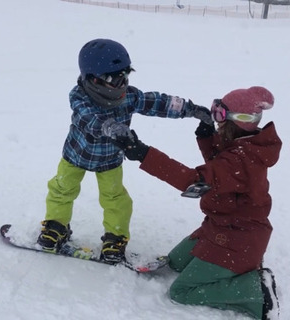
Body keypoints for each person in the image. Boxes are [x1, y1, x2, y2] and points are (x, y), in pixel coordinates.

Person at [111, 86, 282, 319]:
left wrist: (142, 153)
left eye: (221, 116)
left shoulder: (241, 160)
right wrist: (206, 135)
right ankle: (235, 268)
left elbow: (196, 180)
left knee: (182, 291)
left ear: (239, 121)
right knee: (175, 262)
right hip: (219, 228)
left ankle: (255, 288)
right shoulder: (244, 146)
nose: (217, 121)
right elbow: (219, 167)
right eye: (215, 113)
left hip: (238, 240)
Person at [36, 38, 212, 264]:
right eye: (113, 78)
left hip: (109, 160)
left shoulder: (128, 96)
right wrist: (109, 126)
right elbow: (89, 118)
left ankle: (114, 238)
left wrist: (191, 109)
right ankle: (56, 227)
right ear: (92, 78)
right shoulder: (79, 96)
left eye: (125, 75)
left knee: (115, 198)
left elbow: (156, 102)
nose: (121, 84)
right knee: (62, 189)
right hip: (76, 156)